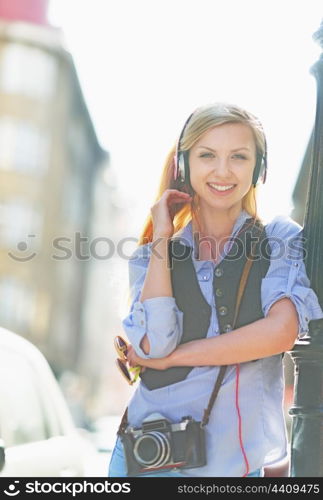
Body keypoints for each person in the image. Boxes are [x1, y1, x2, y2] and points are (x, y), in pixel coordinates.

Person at [108, 102, 323, 478]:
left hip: (233, 466)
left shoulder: (278, 239)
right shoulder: (151, 254)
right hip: (147, 457)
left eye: (239, 156)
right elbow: (155, 345)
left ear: (260, 168)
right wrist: (162, 237)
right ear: (183, 165)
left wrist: (176, 358)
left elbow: (280, 333)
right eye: (207, 155)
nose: (223, 171)